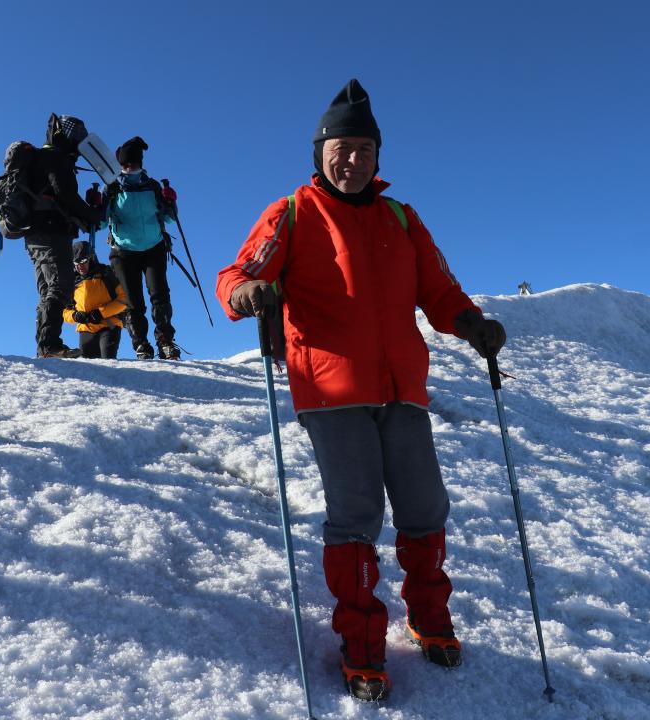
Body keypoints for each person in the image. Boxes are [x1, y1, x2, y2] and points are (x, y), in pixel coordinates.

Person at [214, 79, 507, 702]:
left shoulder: (402, 217)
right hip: (330, 388)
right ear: (320, 153)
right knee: (357, 515)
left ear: (379, 157)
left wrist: (471, 324)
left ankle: (429, 617)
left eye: (364, 150)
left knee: (425, 506)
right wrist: (248, 294)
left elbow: (440, 291)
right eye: (341, 148)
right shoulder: (292, 211)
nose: (352, 160)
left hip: (403, 386)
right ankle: (363, 639)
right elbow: (237, 274)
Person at [22, 113, 100, 359]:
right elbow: (63, 192)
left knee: (48, 288)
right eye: (76, 136)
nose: (80, 142)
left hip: (36, 232)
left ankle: (45, 346)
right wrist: (90, 215)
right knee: (61, 284)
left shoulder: (44, 157)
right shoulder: (55, 157)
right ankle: (49, 345)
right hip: (50, 230)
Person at [98, 136, 181, 360]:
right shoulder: (112, 189)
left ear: (141, 163)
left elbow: (170, 218)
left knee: (160, 295)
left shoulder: (153, 186)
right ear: (121, 165)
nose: (131, 168)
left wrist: (172, 202)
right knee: (134, 301)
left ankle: (165, 341)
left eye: (134, 163)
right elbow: (100, 223)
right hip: (123, 253)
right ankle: (141, 344)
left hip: (154, 248)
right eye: (127, 164)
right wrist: (96, 205)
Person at [63, 240, 127, 359]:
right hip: (85, 329)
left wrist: (100, 313)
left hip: (109, 326)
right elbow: (64, 311)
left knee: (108, 362)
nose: (80, 266)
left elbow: (124, 300)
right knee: (90, 369)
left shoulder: (106, 274)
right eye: (76, 262)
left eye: (83, 261)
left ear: (91, 259)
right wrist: (75, 316)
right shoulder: (72, 282)